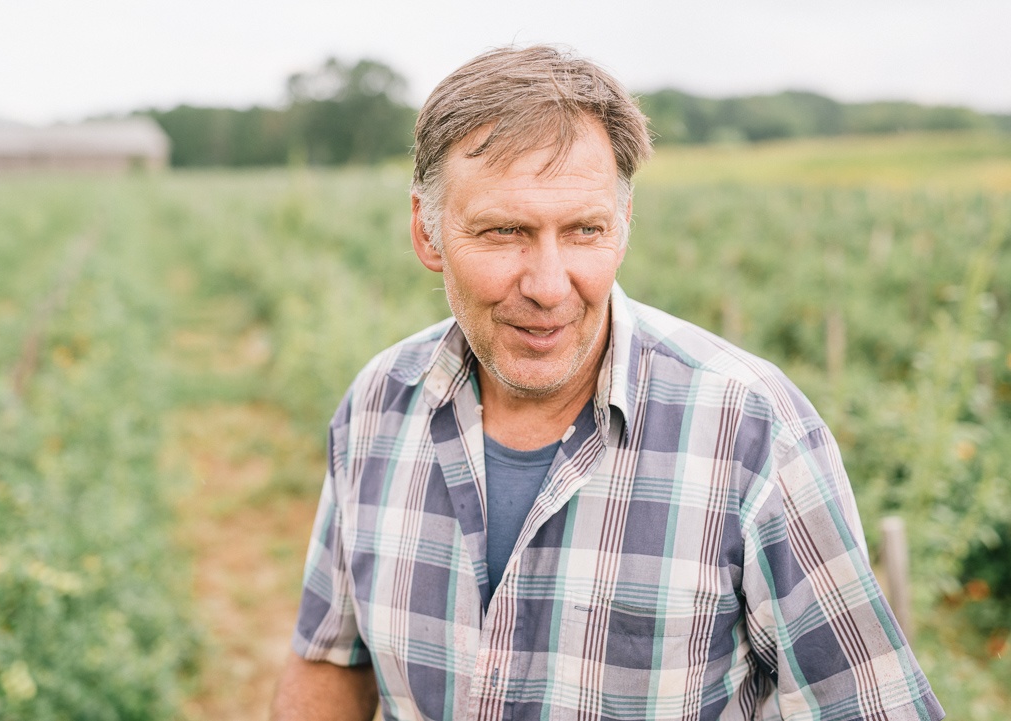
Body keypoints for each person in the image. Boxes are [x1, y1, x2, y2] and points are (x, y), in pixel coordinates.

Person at [271, 45, 944, 721]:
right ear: (427, 230)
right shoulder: (378, 405)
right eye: (506, 231)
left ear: (623, 227)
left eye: (584, 230)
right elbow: (332, 656)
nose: (547, 284)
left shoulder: (750, 429)